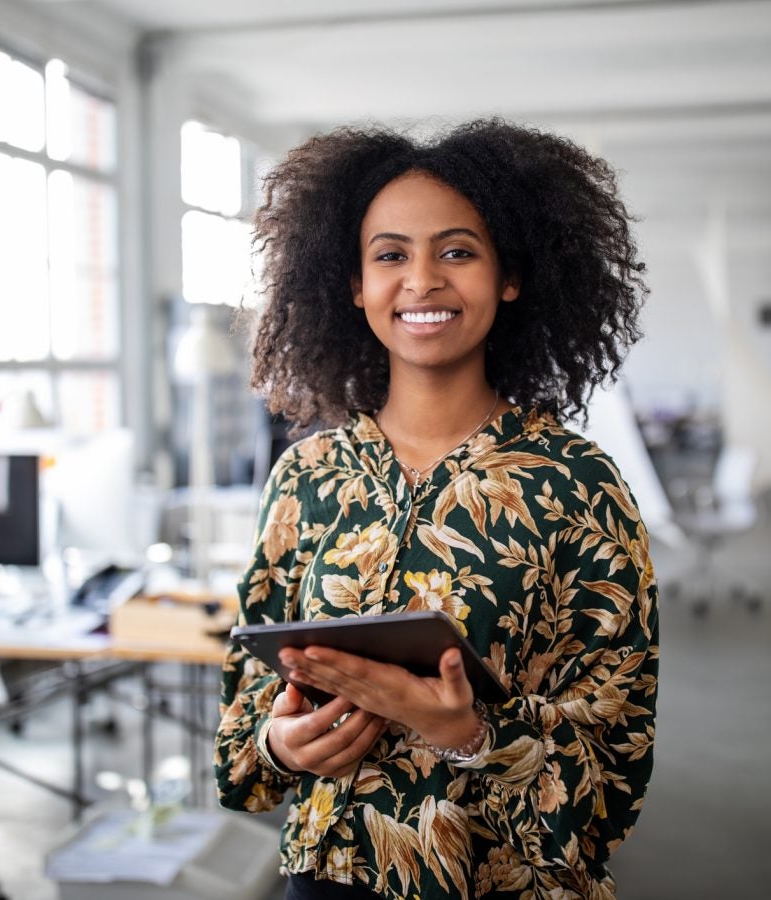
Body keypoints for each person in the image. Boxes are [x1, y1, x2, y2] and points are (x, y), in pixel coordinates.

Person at [214, 119, 658, 900]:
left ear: (510, 276)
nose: (421, 281)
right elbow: (240, 747)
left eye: (457, 251)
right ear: (353, 285)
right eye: (390, 255)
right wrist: (282, 745)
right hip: (329, 883)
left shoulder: (578, 485)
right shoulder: (307, 478)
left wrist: (469, 734)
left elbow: (613, 780)